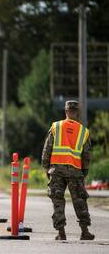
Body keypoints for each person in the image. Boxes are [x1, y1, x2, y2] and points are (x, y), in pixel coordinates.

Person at [41, 100, 94, 240]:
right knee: (80, 201)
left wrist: (46, 167)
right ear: (77, 113)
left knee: (57, 200)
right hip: (75, 171)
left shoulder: (56, 127)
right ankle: (84, 232)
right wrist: (84, 171)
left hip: (56, 170)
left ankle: (61, 232)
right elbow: (86, 155)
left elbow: (47, 149)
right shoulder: (84, 131)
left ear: (65, 112)